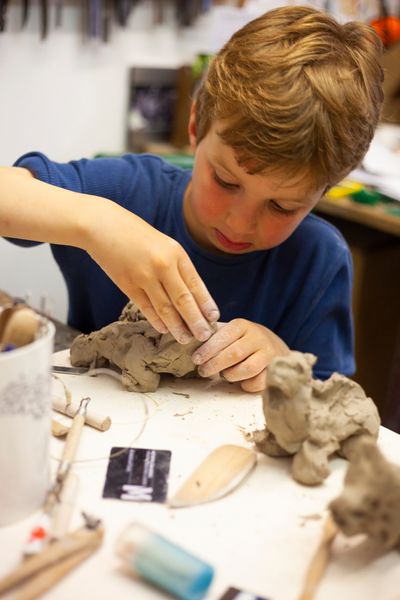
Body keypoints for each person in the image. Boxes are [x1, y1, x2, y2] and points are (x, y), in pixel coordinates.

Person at [0, 5, 384, 392]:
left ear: (329, 187)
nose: (239, 222)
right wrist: (97, 224)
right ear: (196, 125)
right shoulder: (128, 192)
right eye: (225, 181)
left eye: (282, 207)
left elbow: (329, 400)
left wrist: (283, 361)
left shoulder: (318, 261)